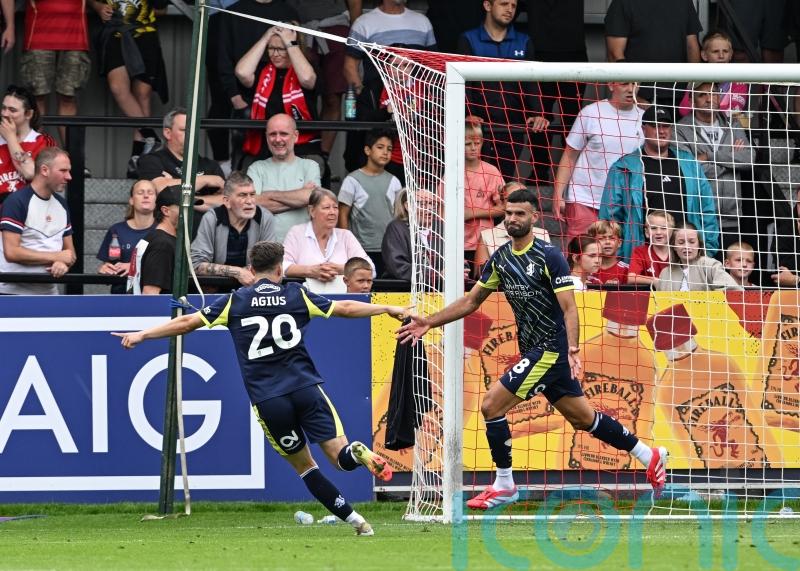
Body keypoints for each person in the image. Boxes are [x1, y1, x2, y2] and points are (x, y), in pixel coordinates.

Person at [113, 240, 410, 536]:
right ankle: (357, 453)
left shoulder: (235, 301)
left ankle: (358, 522)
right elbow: (344, 306)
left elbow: (187, 322)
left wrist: (143, 334)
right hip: (306, 388)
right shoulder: (296, 294)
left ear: (252, 270)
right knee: (340, 458)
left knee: (306, 467)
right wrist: (386, 306)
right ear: (280, 268)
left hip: (269, 399)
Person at [398, 187, 669, 508]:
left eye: (520, 214)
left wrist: (573, 350)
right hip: (534, 350)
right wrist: (429, 321)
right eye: (509, 213)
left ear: (533, 218)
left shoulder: (548, 256)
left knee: (490, 406)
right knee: (584, 420)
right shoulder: (500, 259)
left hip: (551, 350)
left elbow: (570, 308)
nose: (512, 219)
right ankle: (648, 455)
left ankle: (504, 485)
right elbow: (472, 301)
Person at [599, 106, 720, 262]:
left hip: (685, 255)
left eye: (665, 126)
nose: (661, 131)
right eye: (655, 126)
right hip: (643, 257)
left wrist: (707, 249)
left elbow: (707, 209)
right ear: (644, 129)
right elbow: (610, 217)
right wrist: (622, 256)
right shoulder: (624, 167)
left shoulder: (689, 163)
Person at [456, 0, 549, 180]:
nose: (509, 10)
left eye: (513, 6)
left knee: (502, 181)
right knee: (473, 181)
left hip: (512, 127)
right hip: (477, 126)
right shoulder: (468, 39)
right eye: (504, 4)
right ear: (487, 5)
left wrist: (538, 113)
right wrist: (468, 114)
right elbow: (463, 83)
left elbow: (530, 81)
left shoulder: (524, 41)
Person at [343, 0, 436, 173]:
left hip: (417, 156)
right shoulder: (364, 22)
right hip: (377, 98)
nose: (401, 71)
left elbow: (432, 66)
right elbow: (350, 66)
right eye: (396, 66)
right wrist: (366, 97)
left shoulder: (422, 22)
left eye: (406, 65)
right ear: (387, 67)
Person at [551, 81, 643, 244]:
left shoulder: (644, 118)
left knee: (615, 262)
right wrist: (558, 195)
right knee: (580, 257)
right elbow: (569, 156)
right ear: (611, 85)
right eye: (624, 84)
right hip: (584, 198)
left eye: (635, 84)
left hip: (622, 203)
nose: (631, 89)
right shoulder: (591, 113)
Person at [214, 0, 300, 172]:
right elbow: (222, 56)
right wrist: (234, 96)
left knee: (284, 154)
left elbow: (300, 50)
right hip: (246, 93)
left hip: (285, 92)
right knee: (247, 156)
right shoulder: (233, 12)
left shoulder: (288, 11)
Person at [90, 0, 169, 177]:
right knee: (118, 88)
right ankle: (150, 135)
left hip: (145, 33)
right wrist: (98, 7)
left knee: (143, 94)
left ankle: (138, 158)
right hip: (114, 33)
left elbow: (162, 6)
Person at [675, 81, 755, 251]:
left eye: (713, 93)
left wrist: (710, 156)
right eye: (702, 95)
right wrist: (731, 159)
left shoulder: (733, 125)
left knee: (729, 272)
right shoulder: (680, 130)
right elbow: (689, 169)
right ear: (691, 100)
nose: (708, 98)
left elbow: (748, 159)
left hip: (732, 216)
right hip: (698, 217)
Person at [286, 0, 363, 168]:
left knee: (333, 97)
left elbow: (355, 3)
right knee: (298, 97)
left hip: (336, 28)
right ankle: (300, 151)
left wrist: (355, 38)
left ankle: (322, 158)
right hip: (299, 28)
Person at [235, 24, 320, 170]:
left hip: (301, 148)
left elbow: (307, 79)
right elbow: (242, 72)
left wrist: (290, 42)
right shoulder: (263, 71)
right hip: (264, 148)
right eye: (271, 48)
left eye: (281, 49)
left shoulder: (306, 68)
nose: (275, 54)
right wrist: (266, 37)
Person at [0, 147, 76, 295]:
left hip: (49, 292)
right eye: (63, 170)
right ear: (44, 170)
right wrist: (55, 257)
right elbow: (12, 253)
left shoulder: (61, 204)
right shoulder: (17, 201)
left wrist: (62, 263)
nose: (69, 177)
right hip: (11, 293)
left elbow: (69, 253)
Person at [19, 0, 91, 146]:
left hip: (75, 35)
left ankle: (71, 159)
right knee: (37, 97)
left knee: (68, 96)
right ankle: (34, 153)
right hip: (39, 33)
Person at [604, 0, 702, 106]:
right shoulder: (623, 3)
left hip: (679, 94)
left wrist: (691, 91)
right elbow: (615, 54)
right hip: (640, 96)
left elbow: (692, 46)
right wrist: (634, 96)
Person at [191, 171, 277, 288]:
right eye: (242, 195)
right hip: (215, 291)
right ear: (227, 201)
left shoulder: (264, 218)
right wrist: (237, 272)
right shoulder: (212, 218)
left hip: (253, 290)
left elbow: (269, 264)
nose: (249, 201)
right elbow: (195, 264)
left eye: (252, 195)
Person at [247, 113, 321, 242]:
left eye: (284, 134)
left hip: (303, 248)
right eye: (272, 134)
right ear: (266, 137)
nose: (277, 139)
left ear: (296, 136)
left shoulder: (310, 166)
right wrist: (299, 199)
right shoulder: (256, 168)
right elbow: (252, 205)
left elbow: (311, 197)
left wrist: (269, 195)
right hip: (265, 250)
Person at [338, 129, 402, 276]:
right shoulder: (352, 180)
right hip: (361, 248)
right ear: (367, 150)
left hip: (389, 248)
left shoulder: (394, 181)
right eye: (380, 147)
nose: (385, 152)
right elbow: (342, 215)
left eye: (389, 149)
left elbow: (399, 216)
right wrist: (346, 246)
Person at [283, 188, 372, 293]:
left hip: (343, 302)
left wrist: (340, 269)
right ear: (312, 211)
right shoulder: (296, 233)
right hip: (305, 300)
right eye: (326, 208)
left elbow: (370, 267)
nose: (332, 212)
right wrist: (310, 271)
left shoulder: (345, 236)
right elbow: (283, 266)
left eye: (335, 207)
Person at [136, 107, 226, 209]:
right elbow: (158, 188)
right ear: (167, 133)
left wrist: (176, 193)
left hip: (203, 224)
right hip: (169, 224)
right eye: (184, 130)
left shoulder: (211, 165)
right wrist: (206, 180)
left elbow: (225, 201)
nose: (191, 135)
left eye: (193, 130)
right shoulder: (151, 160)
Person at [474, 181, 550, 276]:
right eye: (513, 198)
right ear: (502, 203)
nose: (518, 202)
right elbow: (480, 276)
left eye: (524, 197)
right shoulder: (487, 235)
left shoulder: (542, 234)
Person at [97, 179, 157, 294]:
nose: (145, 196)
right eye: (140, 193)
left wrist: (134, 267)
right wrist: (104, 269)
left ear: (156, 200)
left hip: (152, 297)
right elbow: (109, 263)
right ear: (131, 200)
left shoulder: (163, 230)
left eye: (150, 193)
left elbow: (169, 268)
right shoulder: (117, 230)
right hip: (120, 296)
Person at [0, 84, 57, 204]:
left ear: (28, 114)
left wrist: (10, 138)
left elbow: (31, 173)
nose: (5, 114)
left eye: (12, 110)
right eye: (3, 108)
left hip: (30, 211)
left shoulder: (44, 141)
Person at [460, 119, 505, 270]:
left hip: (484, 241)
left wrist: (472, 213)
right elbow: (442, 210)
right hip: (458, 241)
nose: (473, 148)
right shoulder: (453, 172)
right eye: (467, 144)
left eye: (477, 143)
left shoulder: (491, 172)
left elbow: (504, 208)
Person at [676, 31, 748, 120]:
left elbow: (734, 111)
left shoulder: (738, 80)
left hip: (728, 131)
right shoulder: (697, 78)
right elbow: (684, 110)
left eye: (725, 51)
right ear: (704, 55)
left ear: (731, 54)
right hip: (697, 129)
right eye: (715, 51)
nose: (721, 56)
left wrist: (703, 110)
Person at [655, 222, 741, 291]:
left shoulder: (710, 266)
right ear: (674, 246)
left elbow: (735, 291)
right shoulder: (665, 273)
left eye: (692, 242)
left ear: (699, 245)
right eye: (681, 242)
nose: (687, 246)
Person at [127, 186, 180, 295]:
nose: (190, 212)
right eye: (183, 207)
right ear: (166, 211)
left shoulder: (155, 238)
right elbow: (150, 294)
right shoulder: (162, 245)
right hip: (159, 311)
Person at [627, 210, 674, 286]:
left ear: (672, 232)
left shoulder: (677, 251)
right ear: (646, 233)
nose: (658, 232)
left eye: (664, 228)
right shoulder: (640, 252)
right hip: (649, 296)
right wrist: (656, 281)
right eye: (653, 228)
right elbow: (631, 278)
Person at [586, 220, 628, 285]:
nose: (607, 242)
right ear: (593, 243)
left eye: (612, 238)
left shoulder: (627, 270)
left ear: (619, 243)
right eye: (601, 238)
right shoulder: (586, 268)